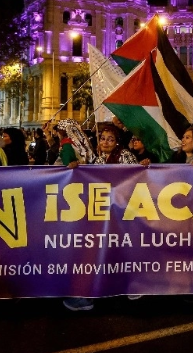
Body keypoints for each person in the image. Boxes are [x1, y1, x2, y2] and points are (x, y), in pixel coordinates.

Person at [65, 124, 137, 312]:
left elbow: (136, 180)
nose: (105, 142)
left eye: (110, 139)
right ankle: (92, 295)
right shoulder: (97, 159)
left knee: (118, 252)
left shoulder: (126, 156)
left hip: (121, 215)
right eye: (103, 138)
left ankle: (129, 285)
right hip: (101, 215)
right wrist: (76, 168)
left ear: (117, 142)